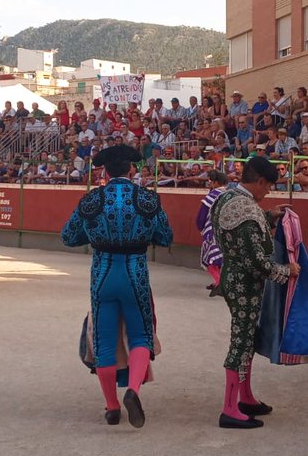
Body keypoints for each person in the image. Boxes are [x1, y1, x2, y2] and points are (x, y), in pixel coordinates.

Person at [61, 145, 174, 428]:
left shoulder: (91, 201)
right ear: (131, 170)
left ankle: (112, 406)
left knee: (104, 341)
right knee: (140, 336)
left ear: (104, 171)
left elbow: (68, 237)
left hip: (103, 273)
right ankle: (133, 389)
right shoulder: (147, 200)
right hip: (135, 272)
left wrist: (95, 235)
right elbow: (165, 236)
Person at [210, 155, 299, 429]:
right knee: (241, 341)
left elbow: (239, 224)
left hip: (232, 276)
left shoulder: (226, 198)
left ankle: (245, 397)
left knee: (247, 339)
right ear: (259, 181)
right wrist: (287, 271)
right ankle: (229, 408)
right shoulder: (246, 209)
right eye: (268, 186)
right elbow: (256, 262)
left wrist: (268, 215)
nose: (268, 192)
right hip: (245, 283)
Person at [196, 169, 229, 295]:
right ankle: (219, 282)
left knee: (211, 258)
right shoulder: (229, 194)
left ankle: (219, 282)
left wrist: (200, 226)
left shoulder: (212, 195)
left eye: (211, 181)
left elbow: (202, 215)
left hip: (213, 230)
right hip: (226, 230)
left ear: (215, 182)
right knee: (221, 258)